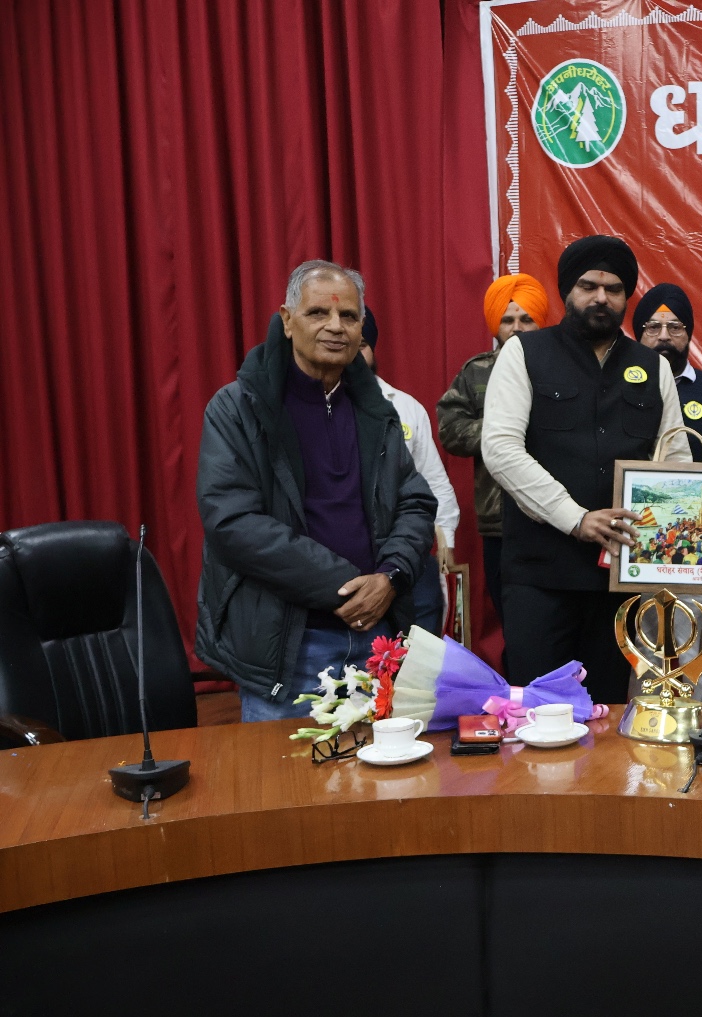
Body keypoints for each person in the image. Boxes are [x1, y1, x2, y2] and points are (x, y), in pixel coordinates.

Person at [196, 261, 436, 721]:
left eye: (349, 316)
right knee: (285, 769)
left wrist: (390, 576)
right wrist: (344, 587)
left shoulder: (377, 410)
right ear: (287, 321)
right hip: (288, 646)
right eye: (318, 314)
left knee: (380, 766)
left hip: (376, 639)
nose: (335, 326)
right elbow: (232, 522)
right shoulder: (238, 408)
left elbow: (416, 502)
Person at [481, 236, 691, 702]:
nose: (601, 298)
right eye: (588, 286)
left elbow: (675, 462)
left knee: (608, 711)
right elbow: (500, 449)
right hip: (540, 575)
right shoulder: (524, 353)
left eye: (613, 289)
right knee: (538, 715)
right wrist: (575, 518)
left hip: (619, 581)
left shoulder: (653, 366)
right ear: (567, 292)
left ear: (626, 297)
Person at [437, 274, 550, 622]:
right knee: (510, 616)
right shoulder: (476, 372)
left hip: (556, 517)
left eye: (526, 319)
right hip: (500, 520)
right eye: (508, 320)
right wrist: (503, 429)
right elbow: (450, 431)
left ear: (540, 321)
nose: (517, 328)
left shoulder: (564, 368)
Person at [359, 307, 460, 633]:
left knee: (422, 651)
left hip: (410, 554)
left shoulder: (405, 407)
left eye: (362, 345)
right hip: (350, 559)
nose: (354, 355)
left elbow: (435, 484)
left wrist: (446, 545)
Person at [632, 283, 702, 460]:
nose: (664, 336)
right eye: (653, 327)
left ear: (689, 334)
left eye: (675, 327)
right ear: (639, 335)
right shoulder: (618, 385)